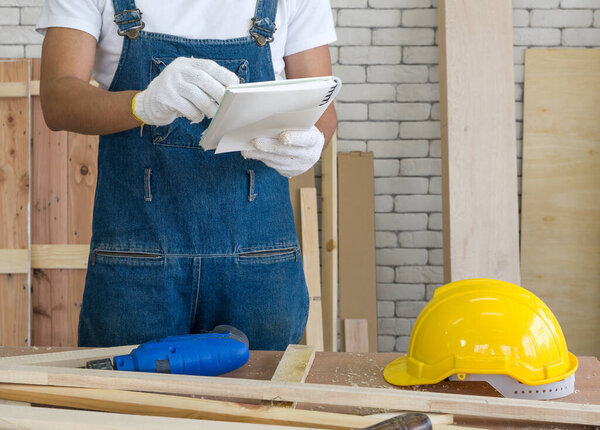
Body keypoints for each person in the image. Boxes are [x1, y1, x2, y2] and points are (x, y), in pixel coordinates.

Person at [36, 0, 337, 349]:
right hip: (136, 262)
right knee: (128, 401)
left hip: (260, 264)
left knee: (258, 401)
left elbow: (323, 111)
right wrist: (142, 104)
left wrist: (310, 143)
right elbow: (57, 100)